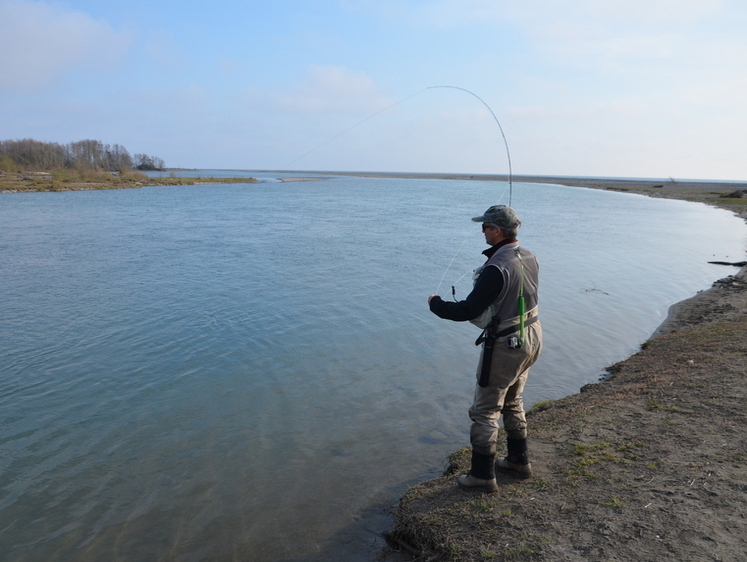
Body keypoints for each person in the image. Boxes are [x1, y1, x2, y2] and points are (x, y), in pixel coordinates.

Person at [428, 205, 542, 493]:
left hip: (507, 344)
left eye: (485, 227)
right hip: (533, 335)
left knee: (485, 410)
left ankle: (481, 476)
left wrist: (436, 305)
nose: (482, 232)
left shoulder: (495, 267)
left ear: (498, 230)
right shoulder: (530, 256)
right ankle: (519, 461)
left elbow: (467, 310)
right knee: (514, 401)